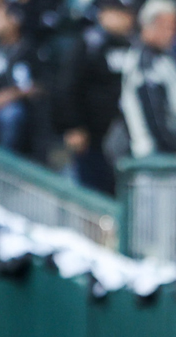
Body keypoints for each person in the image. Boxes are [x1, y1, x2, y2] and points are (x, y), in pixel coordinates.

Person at [54, 0, 138, 195]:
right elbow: (67, 86)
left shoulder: (133, 45)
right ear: (104, 13)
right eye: (119, 12)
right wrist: (72, 125)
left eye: (127, 13)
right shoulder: (89, 43)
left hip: (125, 134)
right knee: (90, 192)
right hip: (91, 134)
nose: (125, 18)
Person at [120, 0, 176, 159]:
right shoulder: (144, 62)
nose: (174, 34)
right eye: (168, 28)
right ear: (150, 26)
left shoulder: (165, 59)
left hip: (171, 158)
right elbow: (154, 117)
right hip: (158, 161)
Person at [0, 1, 42, 154]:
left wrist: (8, 96)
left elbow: (36, 86)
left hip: (16, 109)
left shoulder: (27, 49)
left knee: (12, 114)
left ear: (13, 20)